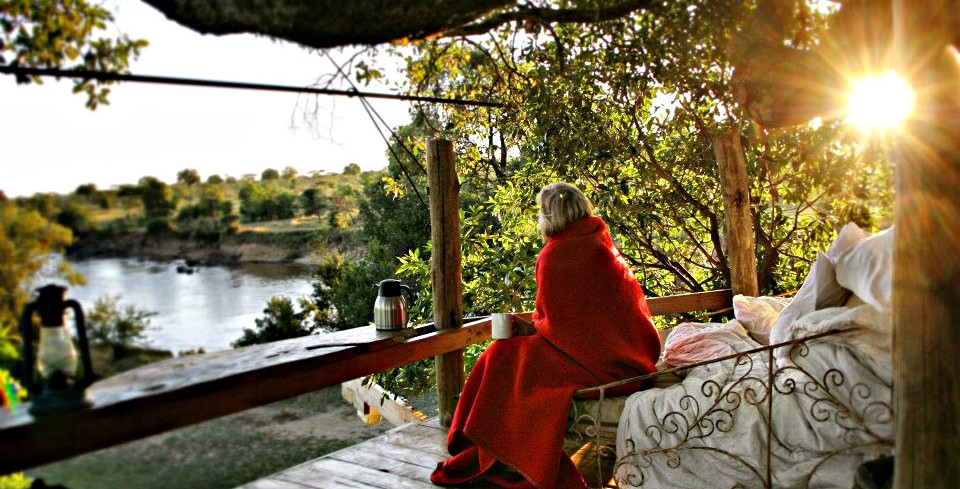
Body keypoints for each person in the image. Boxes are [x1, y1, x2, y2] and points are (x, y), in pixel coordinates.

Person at [430, 182, 661, 489]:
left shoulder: (555, 254)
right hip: (631, 359)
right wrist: (539, 328)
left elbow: (554, 324)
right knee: (513, 357)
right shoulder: (600, 243)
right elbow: (580, 321)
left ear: (550, 214)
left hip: (597, 366)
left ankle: (487, 444)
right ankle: (492, 442)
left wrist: (528, 329)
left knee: (501, 356)